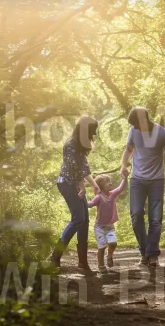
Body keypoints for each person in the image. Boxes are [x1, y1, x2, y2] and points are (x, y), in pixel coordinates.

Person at [121, 107, 165, 267]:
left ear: (145, 119)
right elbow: (128, 150)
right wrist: (123, 165)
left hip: (156, 181)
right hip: (137, 180)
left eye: (138, 125)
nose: (136, 128)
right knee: (136, 214)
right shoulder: (133, 131)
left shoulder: (162, 134)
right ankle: (145, 251)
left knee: (155, 219)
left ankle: (151, 255)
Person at [49, 116, 100, 274]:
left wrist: (94, 184)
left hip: (76, 184)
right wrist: (82, 187)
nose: (95, 134)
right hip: (66, 183)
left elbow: (84, 167)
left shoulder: (81, 145)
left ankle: (83, 263)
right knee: (78, 218)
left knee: (84, 220)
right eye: (93, 130)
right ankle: (54, 256)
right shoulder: (71, 144)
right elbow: (73, 168)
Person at [87, 173, 127, 274]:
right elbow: (90, 205)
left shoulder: (112, 194)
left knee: (113, 243)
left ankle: (109, 255)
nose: (111, 183)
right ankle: (101, 265)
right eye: (107, 182)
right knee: (102, 247)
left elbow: (121, 188)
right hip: (99, 227)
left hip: (109, 226)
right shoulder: (99, 197)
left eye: (110, 181)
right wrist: (84, 199)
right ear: (101, 186)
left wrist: (124, 178)